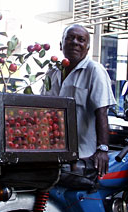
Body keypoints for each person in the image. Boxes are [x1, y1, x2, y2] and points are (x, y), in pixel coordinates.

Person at [42, 24, 116, 177]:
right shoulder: (52, 72)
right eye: (70, 38)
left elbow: (102, 112)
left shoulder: (95, 71)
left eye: (81, 40)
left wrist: (102, 149)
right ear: (61, 44)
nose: (75, 42)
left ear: (87, 48)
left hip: (82, 156)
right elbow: (41, 108)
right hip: (51, 152)